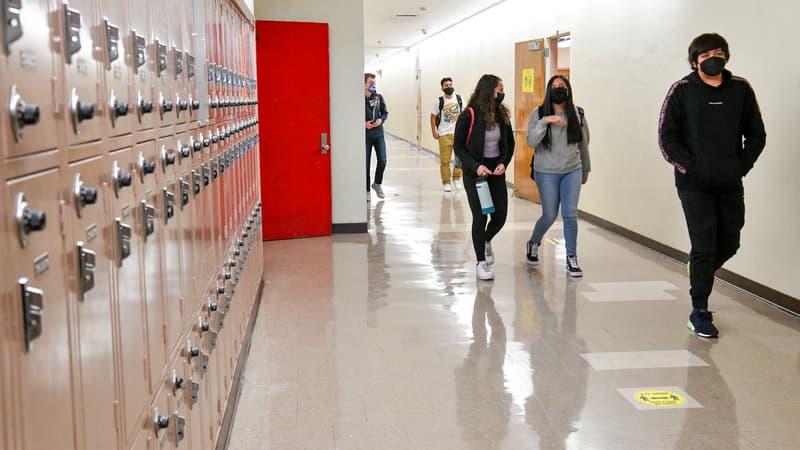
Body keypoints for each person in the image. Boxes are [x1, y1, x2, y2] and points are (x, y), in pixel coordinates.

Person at [658, 33, 766, 338]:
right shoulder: (682, 91)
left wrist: (740, 167)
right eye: (705, 55)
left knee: (730, 242)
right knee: (704, 244)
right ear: (695, 61)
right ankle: (699, 311)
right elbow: (667, 138)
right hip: (694, 185)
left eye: (717, 53)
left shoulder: (741, 89)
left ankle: (700, 269)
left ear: (726, 56)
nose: (712, 58)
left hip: (729, 181)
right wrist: (691, 167)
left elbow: (757, 134)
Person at [525, 75, 590, 277]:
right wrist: (545, 121)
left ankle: (572, 258)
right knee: (550, 215)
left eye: (562, 86)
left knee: (570, 213)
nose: (559, 89)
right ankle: (534, 242)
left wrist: (585, 169)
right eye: (555, 86)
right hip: (546, 171)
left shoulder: (577, 113)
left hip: (573, 169)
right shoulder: (539, 113)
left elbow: (584, 144)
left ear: (568, 90)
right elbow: (531, 141)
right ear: (548, 90)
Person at [453, 74, 515, 281]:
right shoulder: (469, 115)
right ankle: (480, 263)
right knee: (480, 217)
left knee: (500, 216)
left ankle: (486, 240)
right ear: (489, 91)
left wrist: (503, 164)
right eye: (499, 89)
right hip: (475, 174)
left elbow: (510, 145)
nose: (502, 93)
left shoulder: (502, 115)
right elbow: (459, 147)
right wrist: (476, 166)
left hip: (495, 172)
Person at [431, 77, 464, 192]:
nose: (449, 87)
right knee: (445, 160)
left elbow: (464, 114)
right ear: (442, 88)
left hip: (459, 133)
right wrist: (434, 131)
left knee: (460, 158)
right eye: (446, 85)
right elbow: (433, 117)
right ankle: (446, 182)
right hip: (444, 133)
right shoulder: (439, 101)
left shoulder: (459, 99)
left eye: (450, 84)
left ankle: (457, 178)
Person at [365, 73, 388, 200]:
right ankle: (366, 189)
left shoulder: (379, 97)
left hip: (378, 134)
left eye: (374, 82)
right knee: (365, 163)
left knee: (383, 160)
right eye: (370, 82)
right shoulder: (358, 99)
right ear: (364, 83)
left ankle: (377, 184)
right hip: (365, 135)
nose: (372, 85)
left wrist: (381, 120)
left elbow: (385, 112)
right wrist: (363, 124)